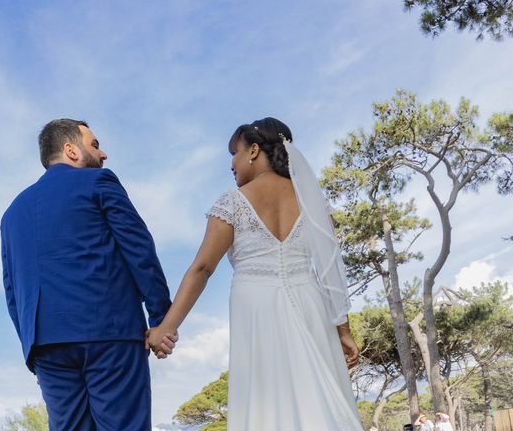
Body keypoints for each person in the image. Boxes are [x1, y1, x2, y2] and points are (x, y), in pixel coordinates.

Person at [146, 117, 363, 430]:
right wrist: (343, 331)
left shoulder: (233, 202)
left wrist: (166, 327)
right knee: (316, 400)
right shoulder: (311, 202)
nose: (232, 164)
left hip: (258, 308)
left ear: (254, 151)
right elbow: (329, 270)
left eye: (235, 153)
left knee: (268, 402)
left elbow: (203, 268)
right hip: (310, 304)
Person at [1, 119, 174, 431]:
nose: (103, 154)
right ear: (71, 150)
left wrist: (33, 345)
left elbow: (12, 293)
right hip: (109, 332)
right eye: (94, 145)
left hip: (46, 344)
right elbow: (139, 250)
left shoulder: (12, 213)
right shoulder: (99, 182)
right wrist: (162, 318)